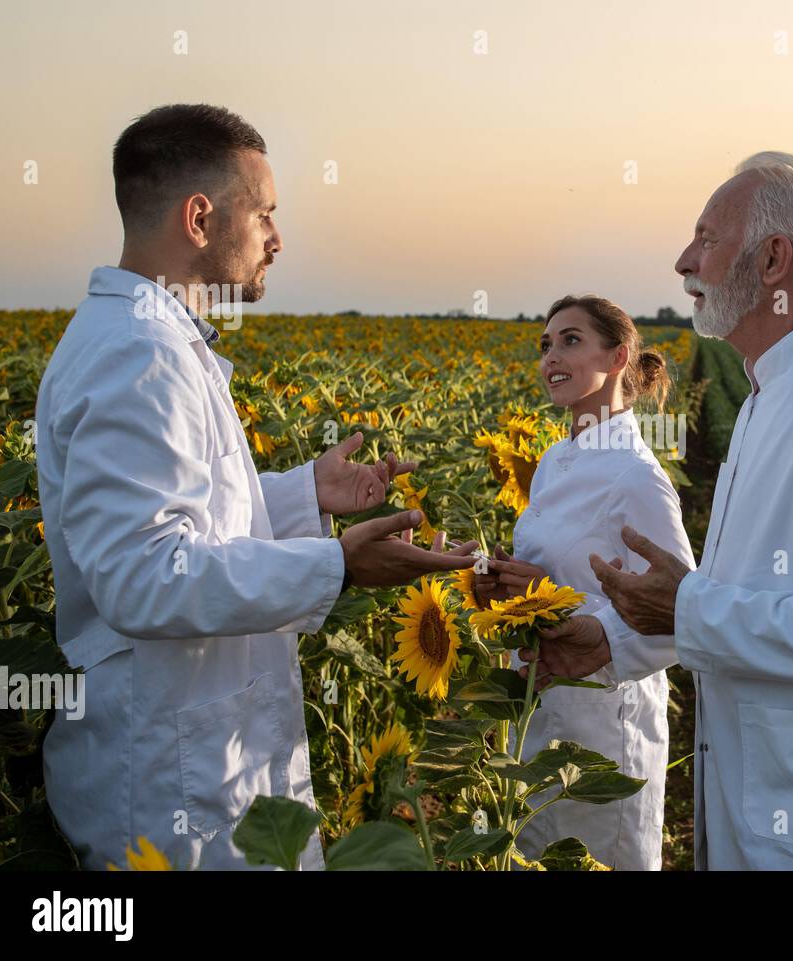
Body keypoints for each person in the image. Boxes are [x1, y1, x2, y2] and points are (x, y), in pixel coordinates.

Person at [35, 104, 478, 871]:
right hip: (173, 785)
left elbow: (187, 522)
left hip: (192, 758)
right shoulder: (138, 352)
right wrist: (337, 563)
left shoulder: (151, 337)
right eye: (265, 213)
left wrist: (304, 493)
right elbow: (142, 575)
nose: (277, 239)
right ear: (200, 218)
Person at [526, 152, 793, 870]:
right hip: (770, 805)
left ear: (774, 259)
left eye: (706, 239)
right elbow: (744, 601)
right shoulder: (768, 397)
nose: (685, 260)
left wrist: (687, 607)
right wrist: (612, 642)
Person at [474, 295, 695, 870]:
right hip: (540, 705)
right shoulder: (553, 462)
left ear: (618, 357)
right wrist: (514, 591)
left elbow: (681, 614)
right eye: (546, 344)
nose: (551, 355)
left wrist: (592, 631)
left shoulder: (637, 477)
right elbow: (559, 584)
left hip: (603, 725)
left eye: (571, 340)